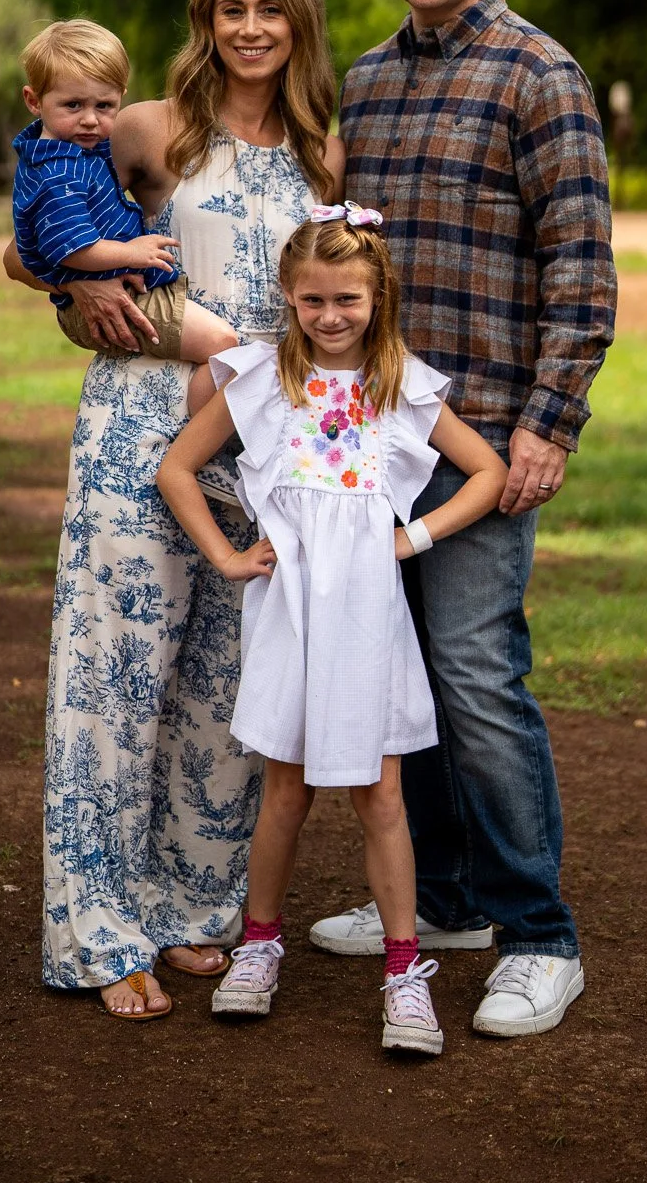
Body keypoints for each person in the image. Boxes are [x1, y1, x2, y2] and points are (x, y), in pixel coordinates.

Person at [4, 0, 344, 1021]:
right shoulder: (150, 127)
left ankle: (194, 902)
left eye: (270, 10)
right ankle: (100, 929)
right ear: (204, 17)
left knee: (229, 685)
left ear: (298, 23)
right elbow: (27, 248)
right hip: (141, 430)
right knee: (116, 680)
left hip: (268, 449)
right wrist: (81, 299)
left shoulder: (321, 157)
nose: (250, 28)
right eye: (230, 8)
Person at [310, 0, 617, 1040]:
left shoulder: (542, 74)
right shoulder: (370, 83)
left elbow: (581, 273)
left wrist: (549, 422)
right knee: (408, 676)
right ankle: (444, 903)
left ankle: (540, 932)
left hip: (485, 440)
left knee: (479, 674)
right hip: (374, 445)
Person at [157, 209, 507, 1055]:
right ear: (289, 296)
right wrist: (229, 557)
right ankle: (261, 945)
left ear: (376, 294)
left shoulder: (402, 385)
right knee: (286, 789)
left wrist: (409, 537)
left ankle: (402, 973)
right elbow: (175, 466)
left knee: (380, 794)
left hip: (367, 619)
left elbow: (488, 472)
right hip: (290, 612)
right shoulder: (260, 378)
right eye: (311, 299)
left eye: (347, 298)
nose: (330, 315)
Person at [11, 17, 237, 410]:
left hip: (117, 286)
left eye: (104, 105)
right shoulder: (59, 172)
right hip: (104, 298)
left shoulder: (80, 150)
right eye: (73, 105)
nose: (90, 119)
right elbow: (72, 250)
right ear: (34, 101)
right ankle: (195, 440)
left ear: (121, 97)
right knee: (224, 349)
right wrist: (132, 253)